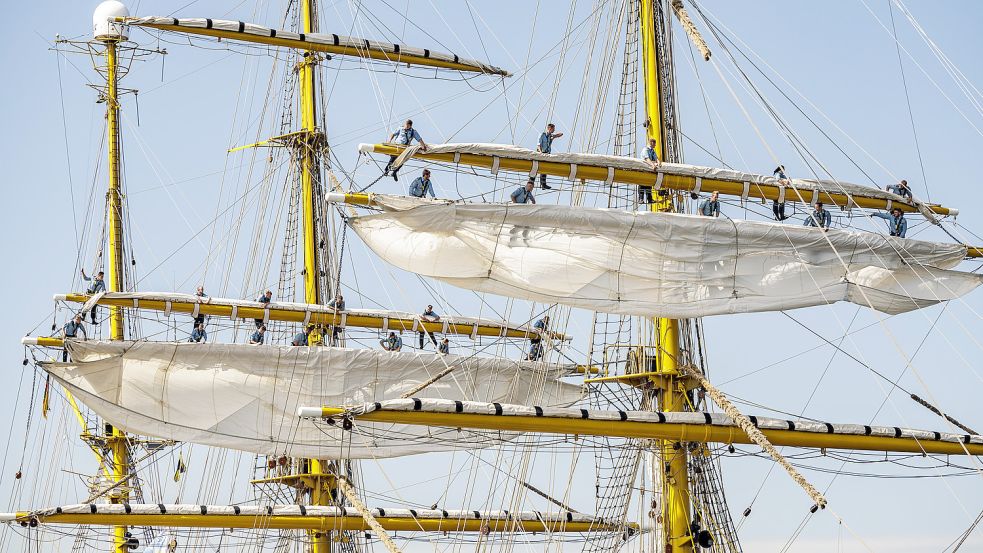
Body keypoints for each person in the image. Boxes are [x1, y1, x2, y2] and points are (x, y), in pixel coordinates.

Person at [535, 123, 563, 189]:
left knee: (545, 169)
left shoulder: (550, 136)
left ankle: (543, 184)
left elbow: (561, 134)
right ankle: (535, 182)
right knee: (538, 168)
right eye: (553, 129)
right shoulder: (542, 135)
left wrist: (554, 136)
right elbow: (538, 145)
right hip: (541, 153)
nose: (554, 130)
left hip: (547, 153)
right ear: (549, 128)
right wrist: (541, 153)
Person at [638, 138, 660, 204]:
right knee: (642, 185)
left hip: (649, 170)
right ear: (651, 143)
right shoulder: (645, 150)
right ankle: (641, 199)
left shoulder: (652, 151)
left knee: (649, 185)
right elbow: (647, 159)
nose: (655, 145)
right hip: (643, 170)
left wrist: (658, 162)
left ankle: (649, 199)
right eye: (654, 143)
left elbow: (656, 158)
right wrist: (653, 166)